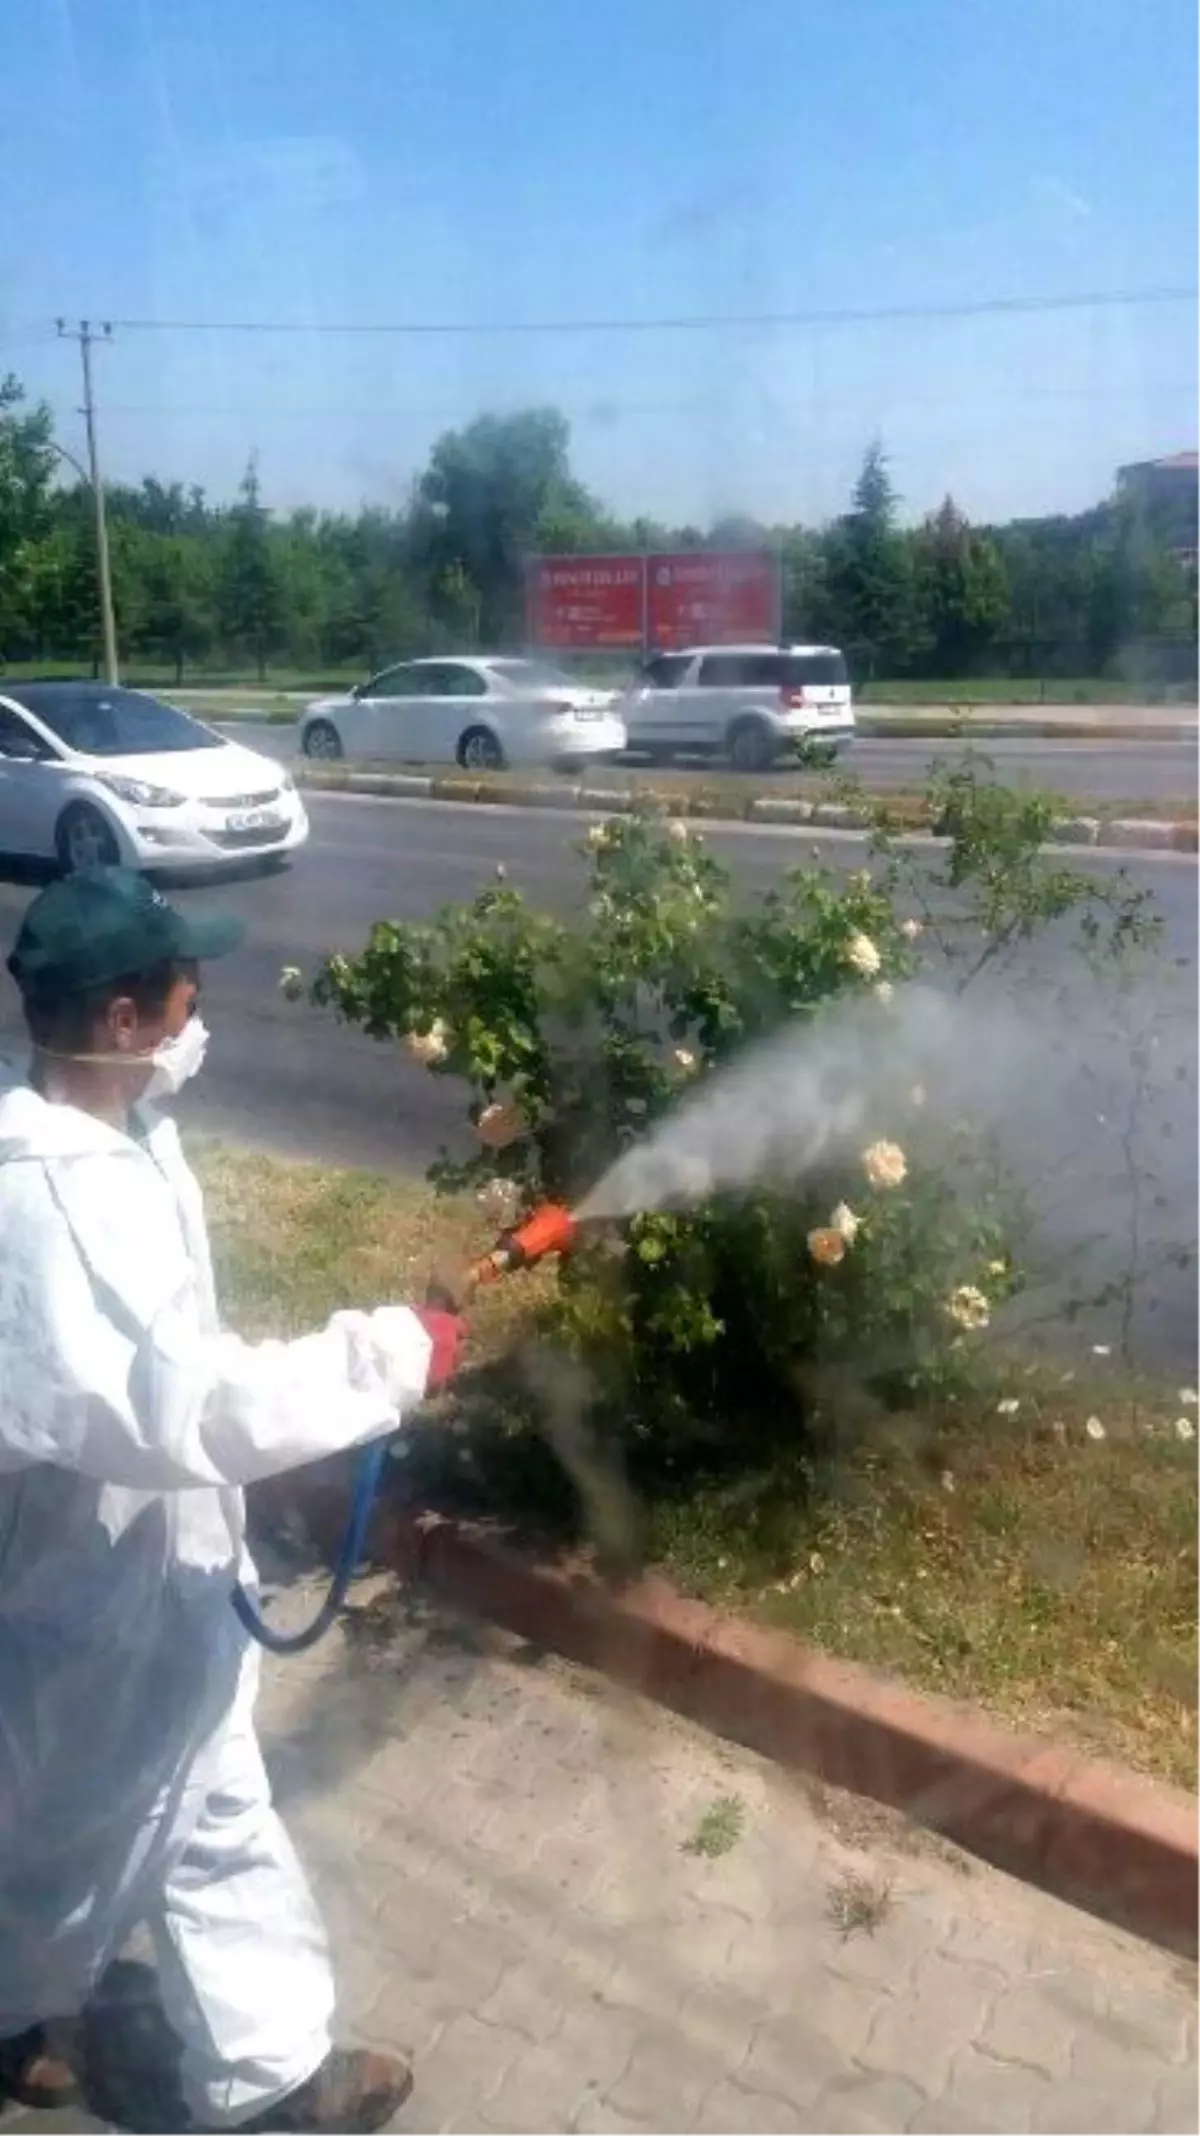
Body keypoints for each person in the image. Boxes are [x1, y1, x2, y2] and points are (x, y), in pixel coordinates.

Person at [0, 867, 462, 2133]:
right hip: (82, 1601)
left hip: (146, 1583)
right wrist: (388, 1359)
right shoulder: (50, 1201)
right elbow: (185, 1408)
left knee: (186, 1808)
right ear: (126, 1018)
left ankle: (269, 2077)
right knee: (85, 1819)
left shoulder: (118, 1131)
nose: (205, 1004)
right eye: (185, 988)